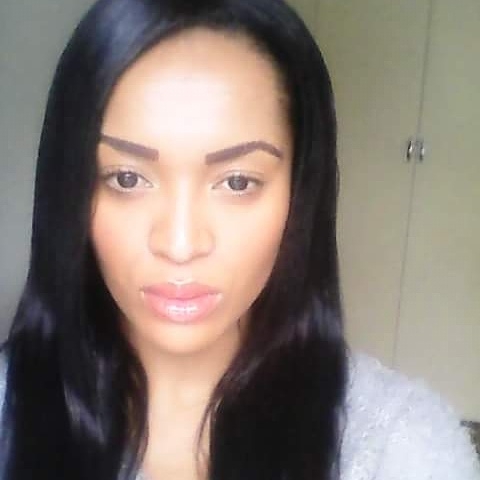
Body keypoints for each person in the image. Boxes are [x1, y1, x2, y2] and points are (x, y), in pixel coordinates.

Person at [0, 0, 478, 479]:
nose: (180, 244)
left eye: (237, 182)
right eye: (127, 178)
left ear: (299, 191)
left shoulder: (401, 448)